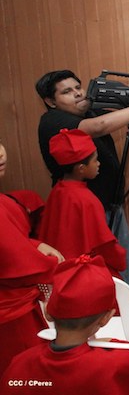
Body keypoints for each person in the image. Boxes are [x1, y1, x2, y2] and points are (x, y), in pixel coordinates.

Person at [35, 70, 129, 309]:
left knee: (121, 250)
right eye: (67, 92)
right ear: (51, 101)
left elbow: (111, 115)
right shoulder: (52, 120)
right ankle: (106, 303)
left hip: (110, 199)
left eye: (78, 87)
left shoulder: (87, 110)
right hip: (85, 205)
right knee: (99, 256)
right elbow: (99, 126)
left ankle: (126, 300)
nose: (77, 94)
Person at [1, 255, 129, 394]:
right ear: (106, 318)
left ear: (48, 312)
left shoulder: (20, 364)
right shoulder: (121, 363)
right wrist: (113, 344)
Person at [0, 138, 62, 376]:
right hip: (11, 317)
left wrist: (33, 244)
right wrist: (52, 265)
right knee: (22, 374)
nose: (1, 154)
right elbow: (17, 261)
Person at [38, 129, 126, 278]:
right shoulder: (87, 200)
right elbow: (104, 245)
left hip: (59, 270)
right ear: (81, 169)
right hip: (83, 273)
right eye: (95, 160)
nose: (98, 164)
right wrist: (120, 258)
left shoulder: (57, 191)